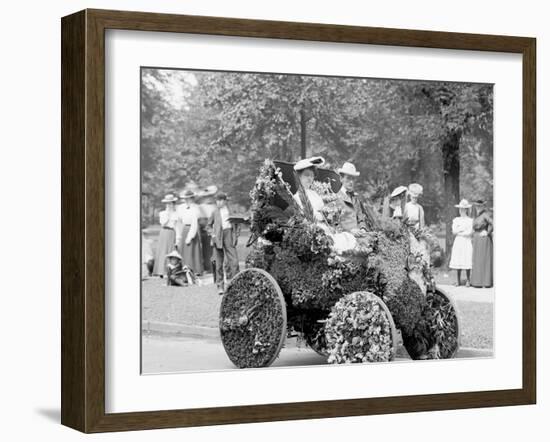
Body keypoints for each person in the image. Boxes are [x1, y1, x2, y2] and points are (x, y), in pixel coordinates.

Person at [207, 192, 240, 294]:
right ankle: (220, 286)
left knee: (234, 261)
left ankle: (236, 284)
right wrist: (212, 235)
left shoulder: (231, 211)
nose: (219, 202)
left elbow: (237, 224)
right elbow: (208, 226)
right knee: (219, 263)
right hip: (218, 237)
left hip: (228, 234)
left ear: (225, 201)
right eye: (217, 200)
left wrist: (236, 235)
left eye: (221, 200)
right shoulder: (214, 212)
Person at [335, 161, 371, 234]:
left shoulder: (355, 199)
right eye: (348, 178)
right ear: (341, 179)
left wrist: (362, 228)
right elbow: (334, 223)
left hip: (359, 236)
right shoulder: (335, 198)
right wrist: (350, 231)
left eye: (353, 179)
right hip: (344, 238)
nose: (351, 182)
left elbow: (361, 219)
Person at [175, 189, 204, 275]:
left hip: (192, 230)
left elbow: (195, 223)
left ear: (192, 198)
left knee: (192, 250)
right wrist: (179, 236)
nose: (187, 200)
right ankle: (185, 268)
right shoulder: (181, 208)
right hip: (185, 229)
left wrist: (190, 236)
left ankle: (195, 269)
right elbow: (179, 221)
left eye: (190, 198)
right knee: (184, 251)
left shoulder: (196, 208)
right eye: (186, 198)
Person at [152, 194, 179, 277]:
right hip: (164, 232)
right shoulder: (163, 213)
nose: (169, 205)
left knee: (171, 250)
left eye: (170, 203)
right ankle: (161, 271)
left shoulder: (176, 214)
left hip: (172, 232)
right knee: (163, 251)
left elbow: (176, 226)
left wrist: (178, 237)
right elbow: (163, 223)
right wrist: (168, 214)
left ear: (173, 204)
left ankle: (170, 270)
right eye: (167, 203)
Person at [292, 156, 326, 222]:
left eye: (312, 175)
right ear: (299, 176)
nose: (309, 178)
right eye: (307, 175)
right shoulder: (297, 197)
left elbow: (323, 210)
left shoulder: (315, 194)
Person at [449, 199, 474, 286]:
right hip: (458, 241)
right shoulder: (456, 220)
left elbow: (470, 232)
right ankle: (458, 280)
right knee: (458, 258)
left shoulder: (470, 220)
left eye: (463, 209)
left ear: (466, 210)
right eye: (460, 209)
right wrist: (462, 229)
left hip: (466, 241)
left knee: (466, 258)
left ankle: (468, 280)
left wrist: (460, 231)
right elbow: (454, 231)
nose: (461, 211)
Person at [470, 199, 493, 288]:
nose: (478, 208)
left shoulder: (485, 215)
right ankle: (477, 282)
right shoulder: (476, 216)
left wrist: (487, 232)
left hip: (483, 240)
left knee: (483, 260)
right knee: (477, 260)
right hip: (477, 240)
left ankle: (485, 282)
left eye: (479, 206)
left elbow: (493, 223)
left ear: (483, 206)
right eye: (476, 206)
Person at [196, 185, 218, 273]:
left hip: (212, 229)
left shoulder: (215, 206)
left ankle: (212, 267)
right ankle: (205, 266)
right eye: (206, 197)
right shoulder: (200, 207)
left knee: (212, 248)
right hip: (202, 230)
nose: (208, 198)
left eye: (210, 196)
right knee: (204, 248)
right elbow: (199, 220)